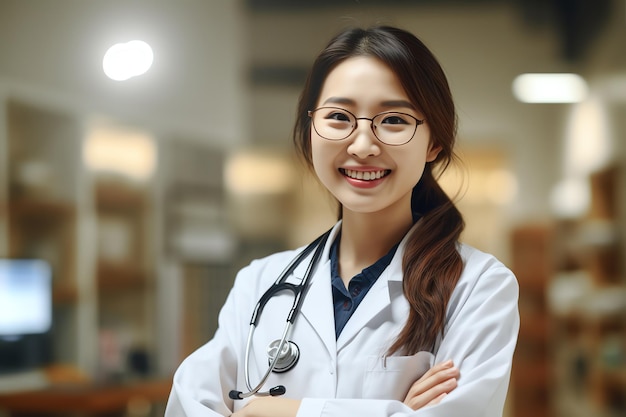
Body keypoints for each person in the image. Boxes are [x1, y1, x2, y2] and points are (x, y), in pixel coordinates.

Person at [165, 25, 519, 417]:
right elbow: (187, 403)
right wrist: (390, 410)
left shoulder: (479, 287)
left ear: (434, 141)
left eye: (394, 120)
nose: (363, 145)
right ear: (310, 129)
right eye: (338, 116)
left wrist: (279, 412)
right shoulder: (259, 283)